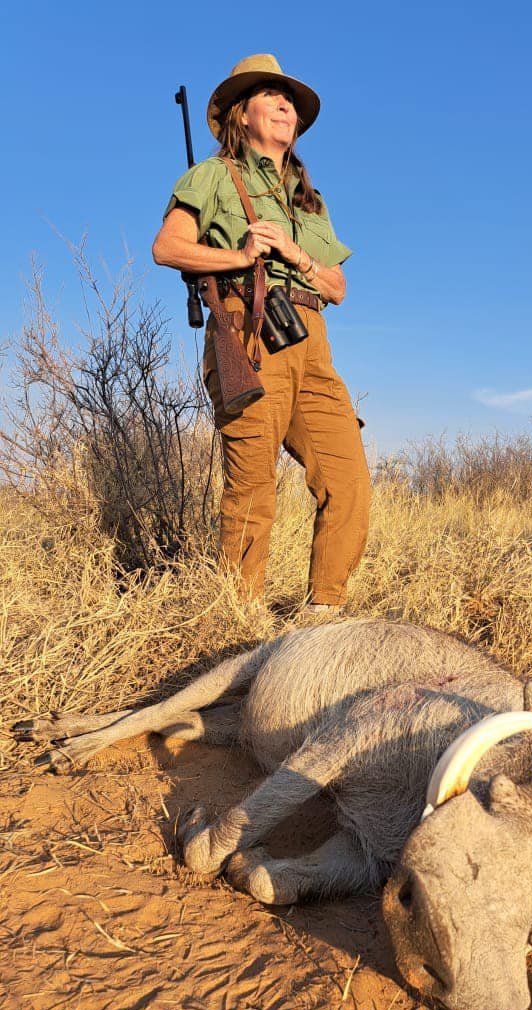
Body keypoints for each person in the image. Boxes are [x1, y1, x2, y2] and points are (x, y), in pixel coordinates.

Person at [153, 54, 370, 620]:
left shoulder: (307, 198)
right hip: (248, 334)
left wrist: (297, 254)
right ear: (240, 115)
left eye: (289, 99)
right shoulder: (213, 176)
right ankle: (237, 623)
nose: (284, 104)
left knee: (348, 482)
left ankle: (323, 615)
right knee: (253, 490)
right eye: (270, 94)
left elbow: (339, 287)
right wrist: (240, 254)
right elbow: (168, 247)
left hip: (309, 339)